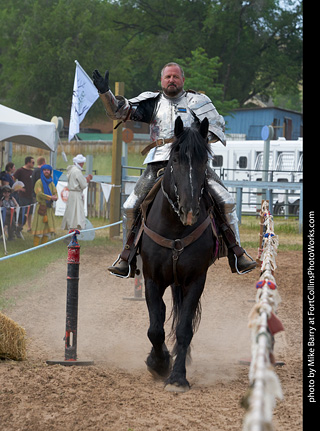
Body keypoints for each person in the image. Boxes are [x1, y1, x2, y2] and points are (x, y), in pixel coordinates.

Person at [93, 62, 256, 276]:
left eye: (175, 77)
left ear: (183, 80)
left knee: (226, 200)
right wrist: (105, 93)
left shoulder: (198, 101)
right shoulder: (152, 103)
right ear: (161, 81)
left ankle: (237, 253)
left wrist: (195, 142)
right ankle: (127, 257)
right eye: (168, 77)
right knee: (130, 206)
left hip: (192, 164)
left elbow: (218, 127)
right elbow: (118, 111)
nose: (172, 80)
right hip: (158, 164)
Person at [61, 154, 92, 231]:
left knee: (72, 213)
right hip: (76, 194)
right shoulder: (77, 171)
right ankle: (73, 233)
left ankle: (71, 231)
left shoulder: (71, 170)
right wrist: (87, 179)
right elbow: (83, 184)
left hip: (72, 194)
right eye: (82, 163)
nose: (83, 164)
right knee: (76, 214)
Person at [31, 164, 58, 246]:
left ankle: (43, 246)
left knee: (47, 228)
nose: (46, 171)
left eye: (48, 170)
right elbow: (39, 194)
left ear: (50, 172)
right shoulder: (39, 182)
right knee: (39, 226)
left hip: (49, 208)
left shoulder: (51, 182)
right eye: (44, 170)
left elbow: (55, 192)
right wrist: (50, 197)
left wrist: (56, 197)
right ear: (42, 171)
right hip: (41, 208)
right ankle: (35, 246)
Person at [13, 156, 35, 231]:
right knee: (22, 212)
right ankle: (19, 226)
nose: (33, 164)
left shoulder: (32, 172)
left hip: (30, 195)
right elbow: (13, 179)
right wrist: (18, 188)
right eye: (32, 162)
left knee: (30, 212)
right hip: (22, 196)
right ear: (28, 162)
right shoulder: (20, 170)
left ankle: (29, 226)